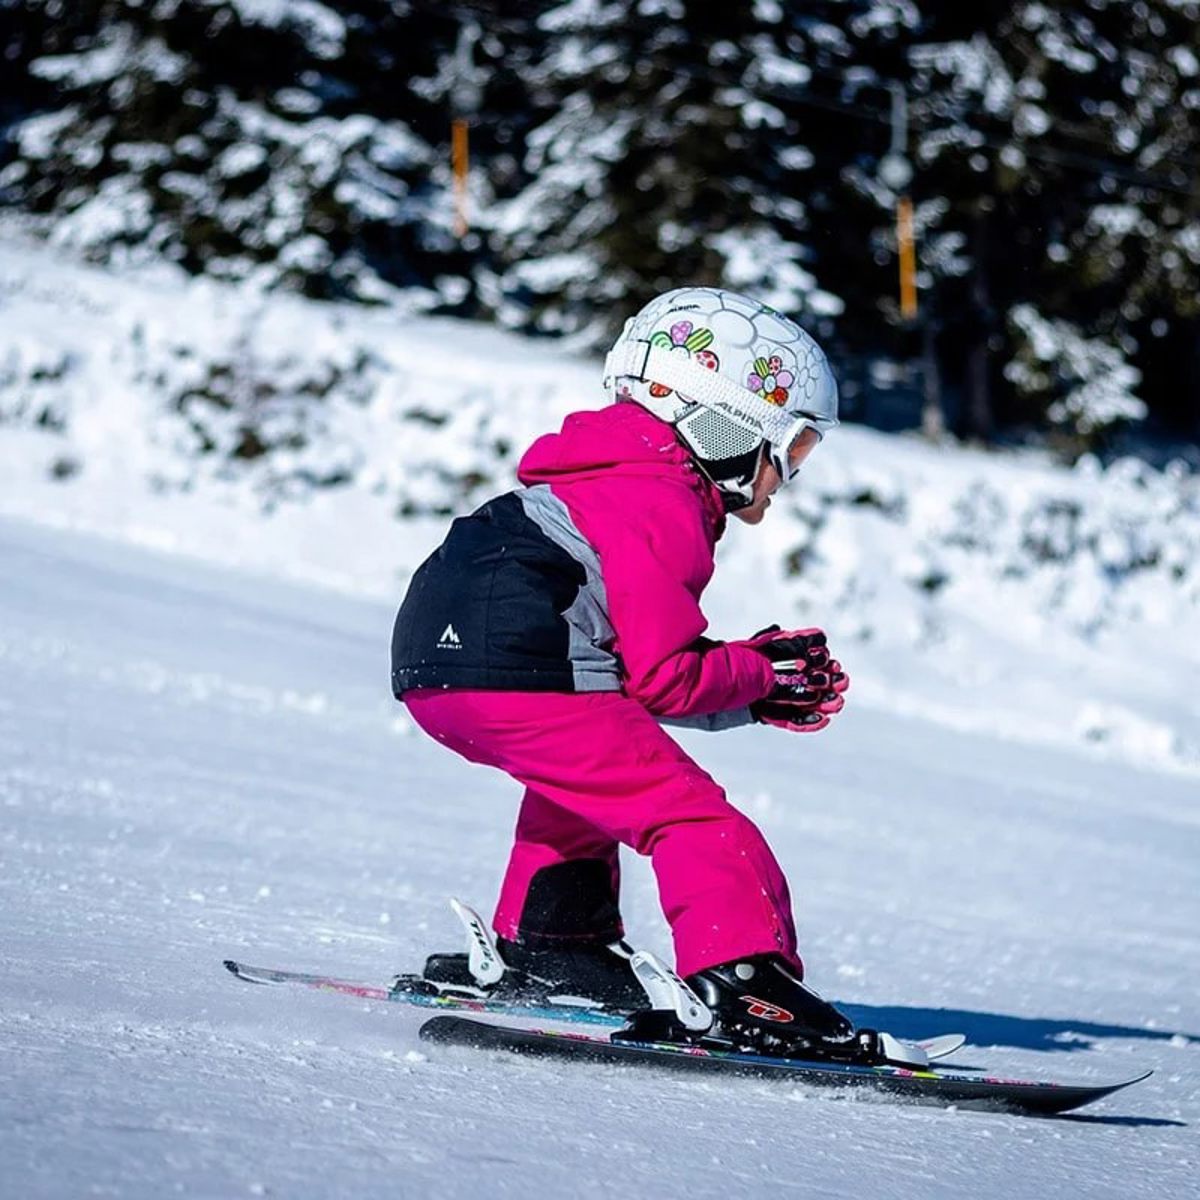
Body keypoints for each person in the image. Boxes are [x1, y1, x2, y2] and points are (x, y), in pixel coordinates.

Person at [390, 286, 853, 1052]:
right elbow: (664, 677)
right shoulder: (661, 497)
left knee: (585, 777)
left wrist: (744, 682)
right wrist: (762, 677)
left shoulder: (597, 479)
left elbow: (631, 682)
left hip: (437, 672)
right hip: (516, 666)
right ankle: (744, 984)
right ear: (726, 422)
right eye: (793, 448)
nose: (785, 478)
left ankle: (557, 943)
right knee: (693, 817)